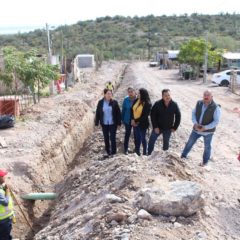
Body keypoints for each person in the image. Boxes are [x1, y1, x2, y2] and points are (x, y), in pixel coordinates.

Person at [181, 90, 221, 167]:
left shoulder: (216, 107)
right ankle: (183, 157)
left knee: (207, 147)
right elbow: (193, 113)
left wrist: (205, 128)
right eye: (204, 95)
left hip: (208, 132)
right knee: (189, 143)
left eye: (208, 95)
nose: (206, 96)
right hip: (196, 129)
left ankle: (205, 162)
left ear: (212, 97)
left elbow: (216, 121)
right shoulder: (199, 103)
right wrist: (195, 123)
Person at [148, 89, 181, 155]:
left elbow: (178, 116)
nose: (167, 97)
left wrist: (175, 127)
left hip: (168, 128)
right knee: (151, 141)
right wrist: (155, 126)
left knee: (166, 143)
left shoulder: (174, 104)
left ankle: (164, 157)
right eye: (165, 95)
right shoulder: (157, 104)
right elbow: (152, 115)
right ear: (162, 96)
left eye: (169, 95)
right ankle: (149, 154)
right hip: (158, 127)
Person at [95, 88, 121, 157]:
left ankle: (113, 152)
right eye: (108, 94)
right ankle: (108, 151)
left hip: (113, 123)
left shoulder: (114, 102)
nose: (109, 95)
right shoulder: (100, 102)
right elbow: (98, 112)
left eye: (110, 94)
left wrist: (119, 123)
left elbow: (118, 113)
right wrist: (96, 123)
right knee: (106, 137)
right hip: (104, 123)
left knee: (112, 137)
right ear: (104, 94)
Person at [131, 88, 151, 156]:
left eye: (139, 93)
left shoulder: (147, 103)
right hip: (135, 123)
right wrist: (133, 119)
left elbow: (145, 116)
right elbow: (132, 110)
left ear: (143, 94)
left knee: (143, 138)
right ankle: (137, 151)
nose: (137, 94)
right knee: (137, 138)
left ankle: (145, 153)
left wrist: (136, 121)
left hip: (142, 124)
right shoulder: (136, 100)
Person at [122, 87, 137, 154]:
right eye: (129, 92)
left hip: (136, 121)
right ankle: (125, 149)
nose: (130, 93)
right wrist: (122, 120)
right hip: (127, 120)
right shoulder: (126, 100)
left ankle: (136, 149)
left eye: (131, 92)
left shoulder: (138, 99)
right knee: (127, 134)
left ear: (134, 92)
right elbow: (123, 110)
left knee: (136, 135)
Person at [0, 169, 14, 240]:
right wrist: (7, 192)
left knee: (6, 236)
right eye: (3, 176)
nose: (5, 177)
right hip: (3, 220)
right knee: (4, 237)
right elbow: (5, 202)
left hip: (4, 219)